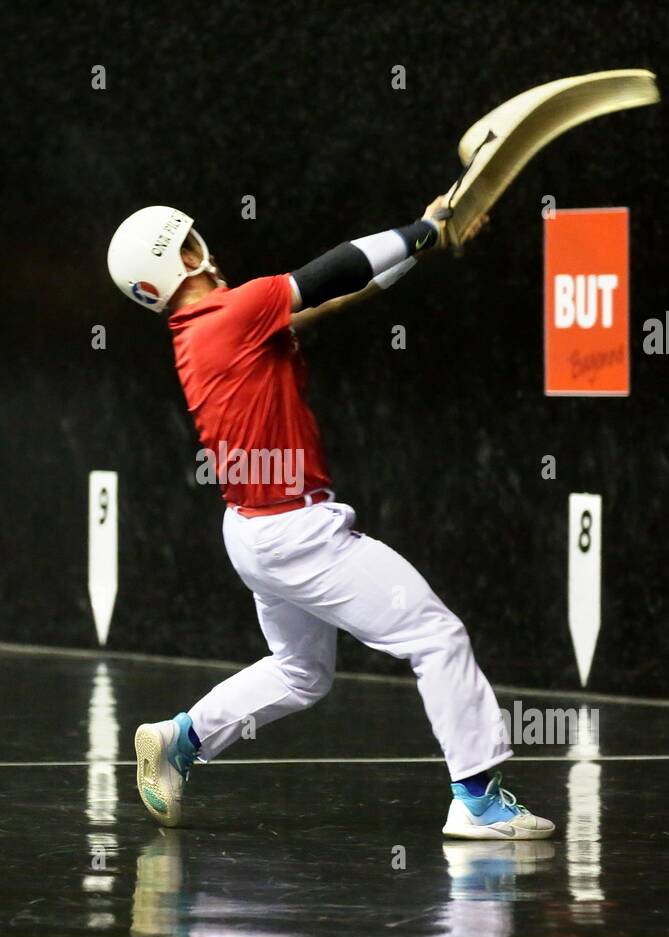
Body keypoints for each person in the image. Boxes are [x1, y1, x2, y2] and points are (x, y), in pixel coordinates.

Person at [105, 199, 555, 840]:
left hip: (252, 531)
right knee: (437, 637)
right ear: (177, 257)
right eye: (192, 240)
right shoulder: (230, 312)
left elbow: (331, 299)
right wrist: (424, 230)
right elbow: (331, 270)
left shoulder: (207, 331)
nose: (208, 246)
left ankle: (182, 739)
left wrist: (419, 246)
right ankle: (478, 801)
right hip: (298, 534)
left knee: (300, 673)